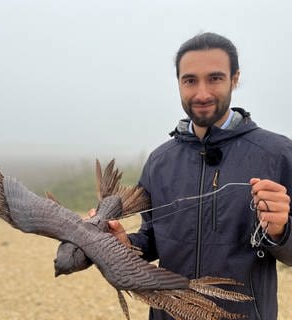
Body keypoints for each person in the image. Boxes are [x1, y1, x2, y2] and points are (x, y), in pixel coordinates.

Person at [108, 32, 292, 320]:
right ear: (179, 83)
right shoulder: (160, 161)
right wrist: (125, 246)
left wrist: (281, 231)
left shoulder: (278, 154)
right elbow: (153, 240)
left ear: (235, 78)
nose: (202, 93)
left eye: (215, 78)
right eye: (190, 80)